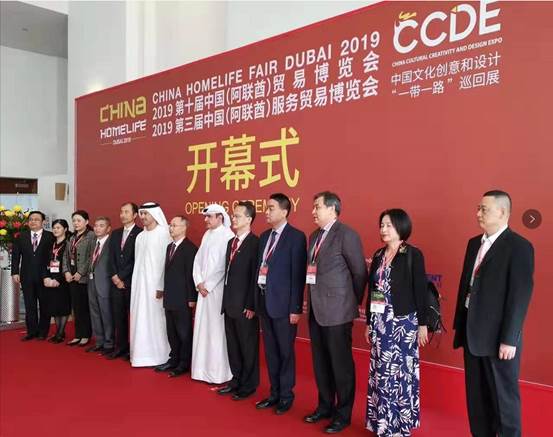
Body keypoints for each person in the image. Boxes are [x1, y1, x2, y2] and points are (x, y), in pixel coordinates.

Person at [453, 190, 534, 437]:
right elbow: (467, 287)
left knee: (504, 401)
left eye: (484, 209)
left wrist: (509, 339)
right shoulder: (473, 244)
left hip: (499, 340)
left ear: (502, 212)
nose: (478, 213)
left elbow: (519, 296)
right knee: (477, 401)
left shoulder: (519, 247)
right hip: (471, 335)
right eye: (478, 208)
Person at [304, 192, 368, 434]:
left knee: (341, 366)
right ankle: (324, 406)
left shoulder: (346, 234)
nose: (313, 211)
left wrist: (350, 301)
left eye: (317, 207)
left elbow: (359, 273)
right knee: (321, 363)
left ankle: (343, 414)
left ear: (332, 209)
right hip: (316, 309)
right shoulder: (314, 236)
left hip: (338, 311)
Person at [365, 209, 429, 437]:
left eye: (389, 225)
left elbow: (420, 292)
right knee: (381, 373)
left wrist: (423, 324)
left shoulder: (412, 254)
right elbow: (373, 291)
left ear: (401, 227)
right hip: (380, 323)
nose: (383, 229)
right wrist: (369, 322)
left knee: (401, 373)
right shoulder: (378, 255)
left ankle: (399, 426)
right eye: (381, 225)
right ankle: (382, 424)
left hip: (404, 324)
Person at [255, 193, 307, 415]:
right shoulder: (264, 236)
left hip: (284, 307)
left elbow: (298, 275)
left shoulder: (296, 237)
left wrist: (295, 308)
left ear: (284, 211)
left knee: (285, 353)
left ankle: (286, 395)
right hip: (264, 303)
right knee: (271, 352)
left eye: (271, 208)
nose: (266, 212)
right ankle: (274, 393)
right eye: (266, 208)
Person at [217, 201, 260, 400]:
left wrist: (251, 304)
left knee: (247, 346)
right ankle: (236, 380)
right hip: (229, 303)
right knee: (233, 345)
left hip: (245, 306)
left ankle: (249, 384)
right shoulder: (231, 243)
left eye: (238, 216)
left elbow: (255, 276)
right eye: (233, 215)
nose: (233, 218)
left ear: (249, 219)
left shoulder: (255, 243)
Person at [191, 204, 235, 384]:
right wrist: (198, 282)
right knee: (203, 329)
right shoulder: (207, 235)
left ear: (220, 217)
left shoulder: (228, 236)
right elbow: (197, 261)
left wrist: (207, 285)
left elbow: (223, 266)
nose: (206, 220)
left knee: (216, 331)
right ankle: (201, 371)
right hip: (202, 291)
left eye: (209, 216)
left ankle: (217, 373)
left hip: (217, 292)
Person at [155, 216, 198, 378]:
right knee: (171, 332)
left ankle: (184, 363)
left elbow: (190, 275)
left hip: (183, 299)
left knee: (184, 333)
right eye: (170, 225)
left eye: (174, 225)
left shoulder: (190, 249)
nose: (171, 228)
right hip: (170, 297)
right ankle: (173, 359)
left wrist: (192, 298)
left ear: (184, 228)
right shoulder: (169, 247)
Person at [130, 202, 171, 367]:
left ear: (155, 214)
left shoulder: (164, 233)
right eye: (141, 214)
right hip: (139, 285)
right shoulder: (140, 236)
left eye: (146, 214)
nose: (143, 217)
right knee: (140, 318)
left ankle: (159, 356)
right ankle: (140, 355)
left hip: (155, 286)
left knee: (156, 319)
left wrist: (161, 286)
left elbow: (166, 263)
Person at [11, 210, 54, 340]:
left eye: (36, 219)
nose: (33, 221)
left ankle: (43, 332)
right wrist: (15, 272)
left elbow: (54, 257)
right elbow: (16, 256)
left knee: (44, 305)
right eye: (31, 219)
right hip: (27, 275)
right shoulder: (21, 236)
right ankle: (31, 331)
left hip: (44, 276)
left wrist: (52, 275)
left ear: (43, 222)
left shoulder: (50, 236)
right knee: (30, 305)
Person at [107, 202, 142, 360]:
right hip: (115, 282)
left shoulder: (140, 234)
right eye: (121, 212)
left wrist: (122, 277)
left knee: (134, 317)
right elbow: (111, 258)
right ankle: (120, 347)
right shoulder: (115, 234)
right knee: (118, 316)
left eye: (126, 212)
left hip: (131, 282)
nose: (123, 215)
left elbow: (136, 260)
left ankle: (134, 349)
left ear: (135, 215)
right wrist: (115, 276)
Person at [63, 210, 96, 346]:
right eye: (74, 221)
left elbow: (92, 257)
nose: (76, 223)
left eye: (79, 220)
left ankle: (86, 335)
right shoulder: (72, 237)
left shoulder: (91, 236)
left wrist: (80, 272)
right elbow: (65, 256)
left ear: (86, 222)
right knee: (75, 308)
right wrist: (66, 272)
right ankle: (78, 334)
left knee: (84, 307)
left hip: (83, 278)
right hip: (71, 277)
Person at [86, 216, 114, 355]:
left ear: (108, 229)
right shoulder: (93, 242)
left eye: (101, 226)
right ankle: (99, 341)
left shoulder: (111, 243)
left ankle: (109, 343)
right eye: (96, 225)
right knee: (95, 313)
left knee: (106, 314)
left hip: (105, 283)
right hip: (91, 281)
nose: (97, 228)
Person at [42, 219, 71, 343]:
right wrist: (46, 277)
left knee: (63, 307)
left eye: (58, 227)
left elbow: (68, 264)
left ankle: (60, 333)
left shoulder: (68, 244)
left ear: (65, 229)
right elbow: (44, 262)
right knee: (54, 306)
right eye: (54, 228)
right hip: (50, 279)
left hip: (63, 280)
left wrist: (58, 279)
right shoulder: (51, 244)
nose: (55, 230)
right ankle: (59, 332)